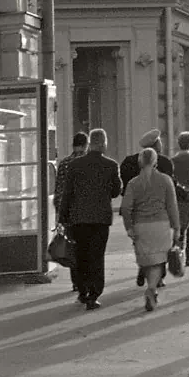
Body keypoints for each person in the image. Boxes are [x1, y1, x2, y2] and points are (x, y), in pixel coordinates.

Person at [59, 128, 122, 310]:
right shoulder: (111, 165)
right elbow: (116, 191)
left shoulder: (75, 165)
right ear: (103, 143)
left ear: (90, 144)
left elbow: (67, 193)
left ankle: (82, 291)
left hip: (78, 219)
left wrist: (63, 216)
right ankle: (94, 294)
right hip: (100, 219)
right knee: (96, 256)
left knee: (81, 255)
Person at [121, 147, 181, 312]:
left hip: (141, 226)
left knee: (147, 260)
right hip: (161, 225)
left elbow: (126, 208)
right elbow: (172, 206)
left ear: (140, 162)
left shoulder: (134, 183)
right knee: (158, 261)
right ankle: (152, 289)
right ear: (156, 162)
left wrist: (129, 227)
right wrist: (176, 228)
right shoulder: (165, 180)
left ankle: (151, 286)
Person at [120, 128, 176, 286]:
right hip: (160, 215)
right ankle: (158, 278)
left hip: (137, 215)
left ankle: (143, 268)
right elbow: (171, 189)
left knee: (141, 246)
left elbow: (125, 190)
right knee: (160, 248)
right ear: (156, 145)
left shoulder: (128, 162)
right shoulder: (164, 163)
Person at [53, 131, 88, 295]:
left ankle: (76, 282)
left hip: (69, 213)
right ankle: (86, 278)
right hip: (86, 212)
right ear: (86, 145)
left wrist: (60, 214)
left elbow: (59, 190)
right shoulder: (88, 163)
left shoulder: (65, 163)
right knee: (86, 247)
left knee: (72, 246)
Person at [170, 131, 189, 267]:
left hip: (176, 198)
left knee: (177, 228)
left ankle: (176, 254)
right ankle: (188, 257)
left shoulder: (172, 161)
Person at [120, 128, 174, 194]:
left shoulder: (129, 161)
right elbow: (170, 186)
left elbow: (125, 185)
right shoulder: (165, 162)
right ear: (157, 145)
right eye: (160, 142)